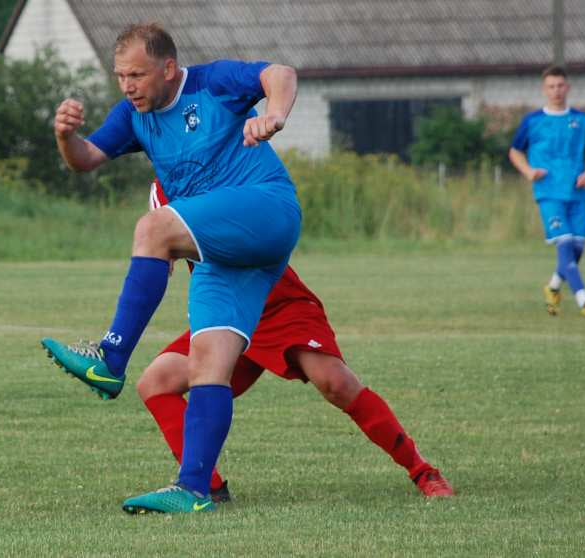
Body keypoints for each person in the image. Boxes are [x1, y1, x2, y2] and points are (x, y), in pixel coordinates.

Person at [41, 22, 302, 514]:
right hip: (223, 252)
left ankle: (111, 358)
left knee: (154, 228)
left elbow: (281, 73)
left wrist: (273, 115)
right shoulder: (133, 115)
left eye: (136, 74)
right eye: (120, 76)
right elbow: (86, 160)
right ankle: (194, 489)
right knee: (208, 364)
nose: (127, 86)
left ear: (167, 68)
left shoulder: (211, 83)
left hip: (266, 208)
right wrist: (65, 136)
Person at [139, 180, 454, 503]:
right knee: (156, 382)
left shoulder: (226, 164)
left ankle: (423, 471)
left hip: (278, 303)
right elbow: (159, 261)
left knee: (335, 383)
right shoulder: (160, 193)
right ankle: (208, 486)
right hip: (227, 313)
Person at [508, 65, 585, 319]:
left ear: (567, 87)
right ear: (544, 89)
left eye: (560, 85)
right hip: (549, 193)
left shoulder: (582, 121)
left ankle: (553, 288)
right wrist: (528, 171)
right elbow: (515, 151)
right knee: (564, 244)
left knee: (577, 247)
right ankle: (584, 299)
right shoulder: (533, 121)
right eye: (551, 86)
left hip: (576, 193)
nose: (556, 91)